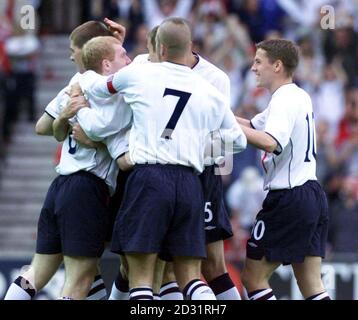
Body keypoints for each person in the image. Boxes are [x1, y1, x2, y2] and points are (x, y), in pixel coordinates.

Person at [86, 17, 246, 300]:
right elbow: (239, 141)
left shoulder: (138, 74)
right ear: (189, 47)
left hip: (149, 177)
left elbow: (98, 88)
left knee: (142, 278)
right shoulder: (210, 90)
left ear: (159, 48)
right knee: (190, 276)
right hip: (190, 182)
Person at [4, 20, 129, 300]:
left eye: (75, 49)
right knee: (79, 279)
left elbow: (43, 127)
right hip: (87, 188)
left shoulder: (75, 84)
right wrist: (94, 138)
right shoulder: (116, 91)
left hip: (60, 186)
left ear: (90, 50)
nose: (72, 56)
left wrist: (64, 118)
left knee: (37, 272)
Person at [236, 39, 330, 300]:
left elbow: (271, 142)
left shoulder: (284, 99)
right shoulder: (296, 95)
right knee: (311, 284)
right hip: (311, 193)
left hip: (290, 196)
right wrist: (216, 114)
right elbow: (254, 126)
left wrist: (228, 130)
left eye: (258, 61)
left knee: (253, 278)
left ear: (276, 65)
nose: (253, 67)